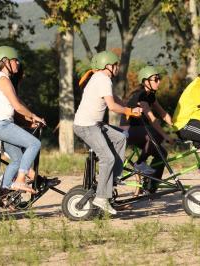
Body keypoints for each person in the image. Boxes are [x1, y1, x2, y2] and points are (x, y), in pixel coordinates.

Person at [73, 51, 141, 215]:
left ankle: (111, 180)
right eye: (116, 65)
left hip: (95, 124)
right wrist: (129, 111)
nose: (118, 67)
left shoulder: (99, 78)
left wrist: (126, 105)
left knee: (120, 138)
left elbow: (114, 99)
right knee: (107, 157)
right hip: (86, 126)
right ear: (107, 66)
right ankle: (101, 197)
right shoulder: (103, 79)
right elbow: (112, 106)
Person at [0, 46, 45, 194]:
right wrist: (33, 116)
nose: (17, 63)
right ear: (5, 61)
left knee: (17, 160)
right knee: (34, 143)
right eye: (15, 60)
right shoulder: (3, 79)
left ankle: (3, 194)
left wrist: (30, 121)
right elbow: (17, 106)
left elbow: (15, 105)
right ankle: (20, 180)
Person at [120, 66, 173, 192]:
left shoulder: (150, 96)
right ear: (145, 82)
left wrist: (177, 127)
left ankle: (151, 186)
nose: (159, 81)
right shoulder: (141, 95)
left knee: (162, 153)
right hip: (129, 130)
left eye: (159, 79)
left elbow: (163, 114)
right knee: (155, 134)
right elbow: (152, 118)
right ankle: (140, 163)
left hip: (141, 131)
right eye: (156, 79)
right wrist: (165, 135)